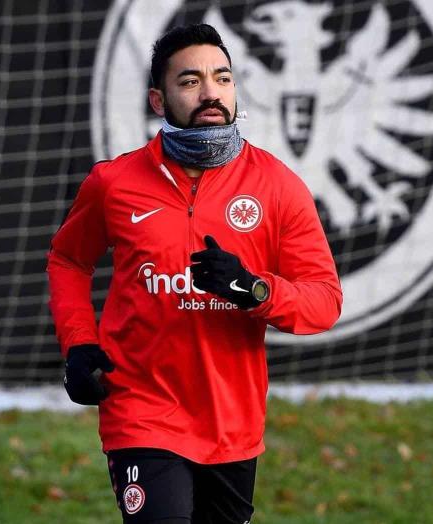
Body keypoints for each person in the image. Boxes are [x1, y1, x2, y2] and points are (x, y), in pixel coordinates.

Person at [47, 23, 342, 524]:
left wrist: (253, 289)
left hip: (232, 421)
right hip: (141, 411)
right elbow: (68, 261)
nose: (210, 92)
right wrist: (78, 343)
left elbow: (323, 302)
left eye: (222, 78)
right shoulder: (113, 183)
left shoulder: (278, 186)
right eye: (190, 81)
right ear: (158, 101)